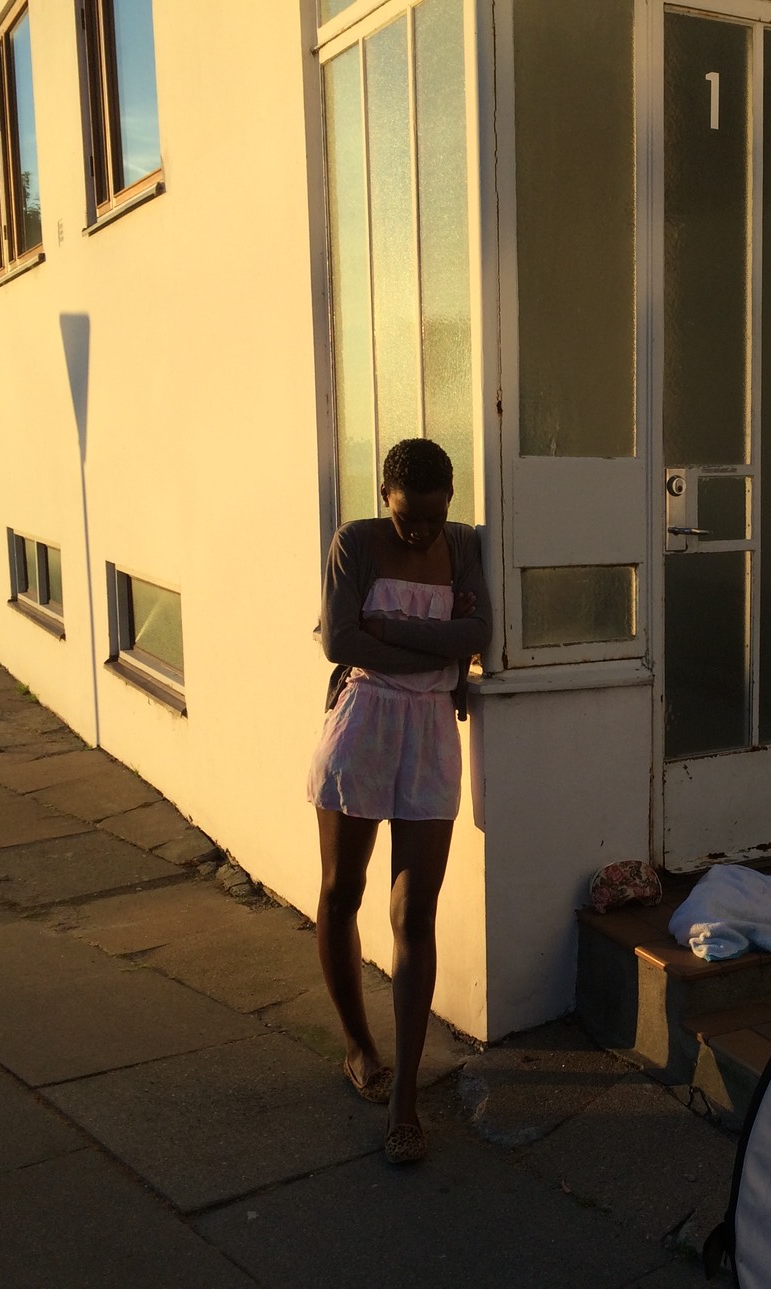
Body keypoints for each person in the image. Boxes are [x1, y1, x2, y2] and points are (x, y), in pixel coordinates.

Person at [307, 438, 490, 1162]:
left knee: (415, 913)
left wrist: (390, 631)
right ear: (385, 496)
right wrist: (438, 647)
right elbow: (340, 643)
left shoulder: (464, 544)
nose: (421, 532)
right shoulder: (354, 542)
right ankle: (358, 1046)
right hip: (362, 727)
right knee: (341, 892)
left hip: (431, 737)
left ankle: (405, 1097)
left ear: (451, 501)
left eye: (433, 518)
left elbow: (478, 634)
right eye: (408, 518)